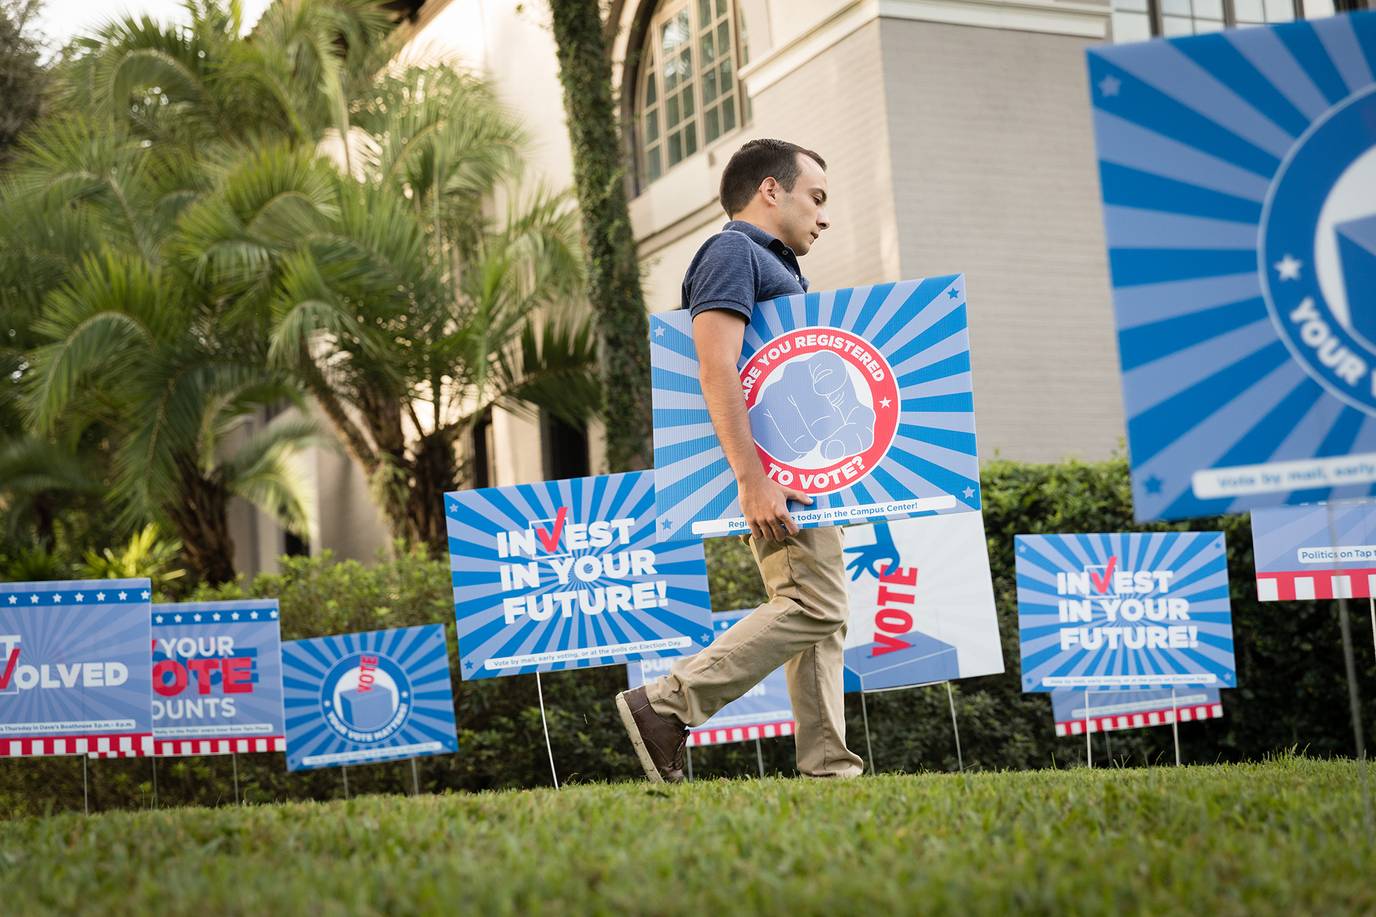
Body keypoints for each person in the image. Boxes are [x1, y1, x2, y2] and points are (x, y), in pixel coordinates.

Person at [615, 138, 865, 782]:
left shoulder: (766, 261)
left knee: (817, 614)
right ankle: (667, 704)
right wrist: (753, 481)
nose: (825, 214)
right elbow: (715, 365)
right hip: (771, 475)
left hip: (797, 471)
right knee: (817, 606)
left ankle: (826, 765)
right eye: (817, 197)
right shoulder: (732, 251)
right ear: (771, 190)